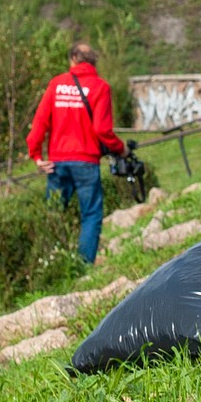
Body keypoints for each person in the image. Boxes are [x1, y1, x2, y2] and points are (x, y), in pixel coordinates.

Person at [25, 42, 127, 264]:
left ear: (73, 59)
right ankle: (82, 266)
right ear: (94, 62)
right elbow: (102, 130)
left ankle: (49, 263)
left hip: (57, 163)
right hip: (86, 163)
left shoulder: (57, 84)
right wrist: (121, 149)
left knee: (53, 215)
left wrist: (36, 156)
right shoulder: (101, 87)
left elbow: (39, 123)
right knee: (90, 215)